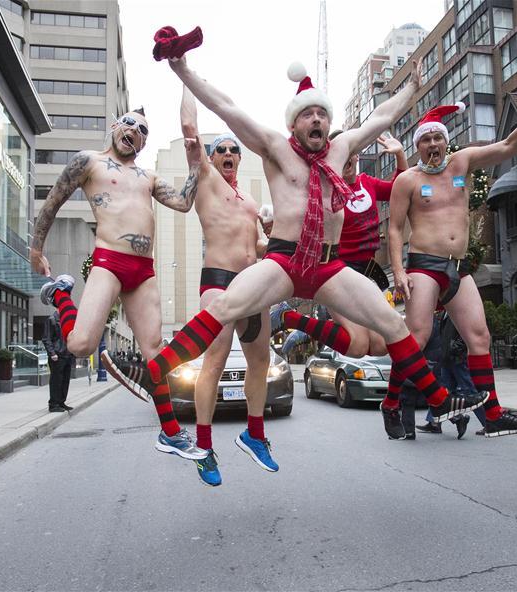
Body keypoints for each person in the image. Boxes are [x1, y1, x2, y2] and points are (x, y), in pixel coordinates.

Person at [152, 34, 485, 442]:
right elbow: (227, 107)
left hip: (328, 265)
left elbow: (379, 118)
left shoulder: (340, 149)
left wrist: (412, 91)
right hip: (285, 262)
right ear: (294, 123)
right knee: (223, 307)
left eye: (321, 115)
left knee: (393, 326)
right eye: (307, 115)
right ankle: (154, 372)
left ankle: (438, 400)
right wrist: (183, 69)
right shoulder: (274, 147)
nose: (316, 121)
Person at [388, 71, 517, 438]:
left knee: (479, 337)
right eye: (426, 140)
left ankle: (494, 414)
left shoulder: (462, 163)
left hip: (459, 267)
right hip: (424, 266)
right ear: (418, 146)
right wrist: (398, 271)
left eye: (438, 137)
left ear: (446, 141)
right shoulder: (407, 181)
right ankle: (394, 403)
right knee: (416, 338)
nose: (433, 144)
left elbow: (511, 146)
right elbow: (393, 229)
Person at [30, 106, 207, 462]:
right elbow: (52, 202)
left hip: (143, 270)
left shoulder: (148, 177)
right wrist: (36, 249)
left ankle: (171, 433)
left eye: (142, 130)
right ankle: (62, 295)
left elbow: (185, 204)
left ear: (143, 143)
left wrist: (194, 166)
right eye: (129, 123)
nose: (134, 131)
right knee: (80, 344)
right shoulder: (88, 162)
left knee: (156, 354)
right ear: (114, 127)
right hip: (109, 261)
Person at [179, 85, 277, 487]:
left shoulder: (251, 202)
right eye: (220, 150)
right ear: (211, 157)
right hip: (219, 282)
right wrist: (184, 77)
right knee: (215, 364)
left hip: (254, 284)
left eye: (234, 151)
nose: (228, 156)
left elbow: (258, 246)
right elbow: (189, 126)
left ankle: (254, 434)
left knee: (260, 363)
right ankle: (203, 448)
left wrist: (269, 235)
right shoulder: (206, 181)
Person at [270, 130, 408, 358]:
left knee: (382, 344)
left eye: (349, 153)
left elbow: (399, 189)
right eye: (337, 155)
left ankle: (300, 324)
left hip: (369, 273)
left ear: (356, 156)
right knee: (356, 345)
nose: (345, 159)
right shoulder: (322, 190)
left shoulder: (368, 183)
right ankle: (290, 318)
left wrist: (400, 155)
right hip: (336, 272)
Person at [409, 311, 485, 439]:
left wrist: (455, 348)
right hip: (446, 359)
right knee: (441, 391)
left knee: (469, 391)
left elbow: (466, 332)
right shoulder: (446, 312)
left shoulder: (458, 310)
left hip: (457, 359)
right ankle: (434, 422)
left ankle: (487, 422)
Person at [42, 310, 76, 412]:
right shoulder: (52, 320)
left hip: (67, 354)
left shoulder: (68, 321)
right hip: (57, 355)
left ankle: (61, 402)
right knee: (56, 380)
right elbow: (46, 338)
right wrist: (52, 353)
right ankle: (53, 404)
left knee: (65, 380)